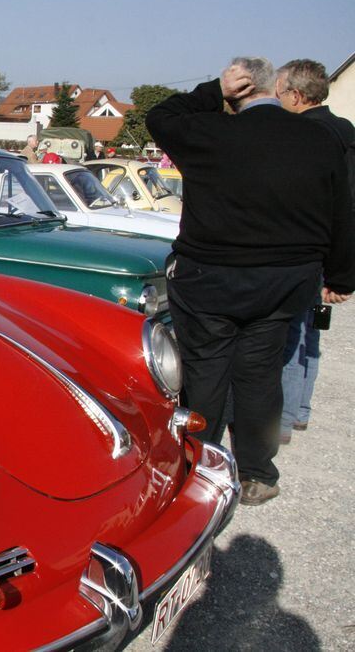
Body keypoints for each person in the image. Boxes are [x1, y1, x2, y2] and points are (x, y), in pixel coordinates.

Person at [146, 57, 354, 506]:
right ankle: (258, 473)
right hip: (284, 281)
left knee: (205, 372)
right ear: (274, 88)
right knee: (261, 374)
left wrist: (212, 89)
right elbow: (343, 210)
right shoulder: (320, 137)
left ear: (236, 91)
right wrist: (341, 275)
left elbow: (159, 116)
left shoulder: (209, 133)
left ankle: (200, 466)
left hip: (210, 278)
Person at [274, 58, 355, 444]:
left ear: (296, 94)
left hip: (305, 248)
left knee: (290, 332)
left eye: (279, 90)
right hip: (330, 250)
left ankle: (284, 419)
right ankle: (300, 410)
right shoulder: (345, 130)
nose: (276, 97)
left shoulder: (302, 133)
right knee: (312, 334)